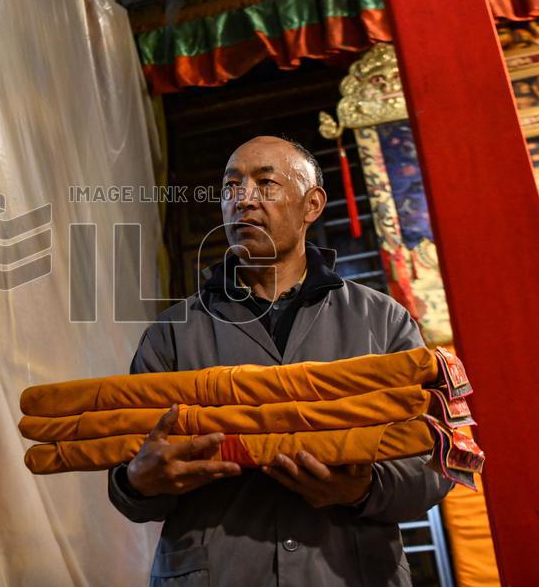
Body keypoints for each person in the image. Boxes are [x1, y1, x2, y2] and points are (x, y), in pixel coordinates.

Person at [108, 136, 453, 587]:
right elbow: (129, 473)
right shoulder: (172, 332)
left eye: (265, 183)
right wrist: (138, 482)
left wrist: (363, 489)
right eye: (231, 186)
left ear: (312, 204)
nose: (243, 199)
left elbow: (437, 462)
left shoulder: (382, 320)